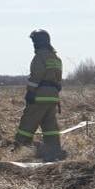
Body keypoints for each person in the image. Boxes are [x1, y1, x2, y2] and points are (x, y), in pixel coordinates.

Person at [15, 29, 66, 161]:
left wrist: (30, 92)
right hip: (53, 96)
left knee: (28, 122)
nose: (33, 44)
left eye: (34, 41)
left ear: (38, 42)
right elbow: (59, 80)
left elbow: (36, 76)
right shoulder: (56, 58)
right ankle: (53, 148)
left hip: (40, 96)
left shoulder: (40, 57)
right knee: (50, 125)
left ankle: (20, 147)